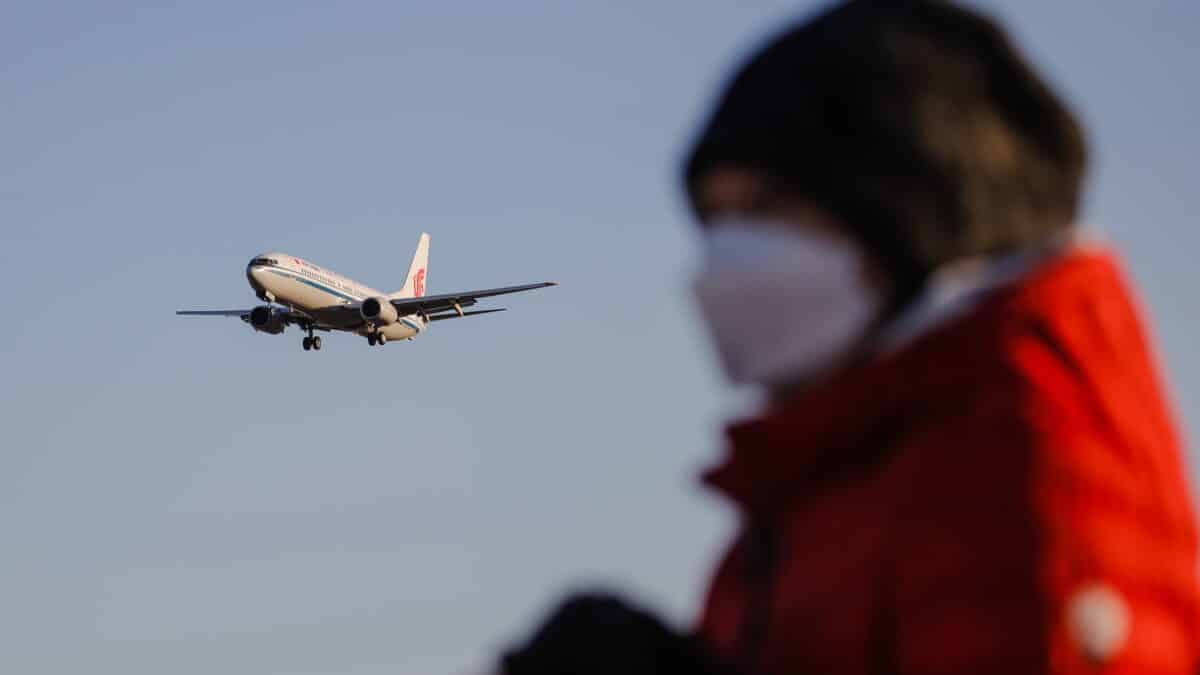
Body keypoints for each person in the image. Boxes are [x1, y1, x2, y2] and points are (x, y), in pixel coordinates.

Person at [499, 1, 1200, 673]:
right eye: (715, 219)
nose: (726, 255)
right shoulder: (818, 494)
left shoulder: (1022, 475)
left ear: (904, 216)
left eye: (767, 207)